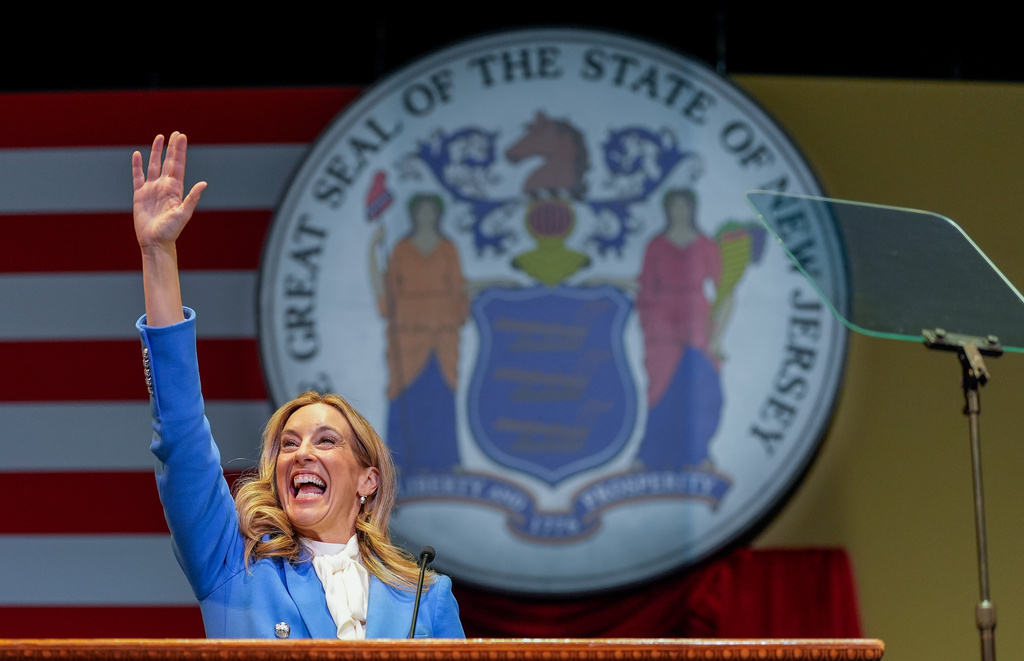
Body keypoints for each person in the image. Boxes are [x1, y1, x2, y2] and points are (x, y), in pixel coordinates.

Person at [132, 132, 464, 639]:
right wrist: (158, 254)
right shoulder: (232, 565)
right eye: (288, 445)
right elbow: (181, 438)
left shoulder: (425, 598)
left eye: (325, 441)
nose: (300, 454)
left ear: (367, 481)